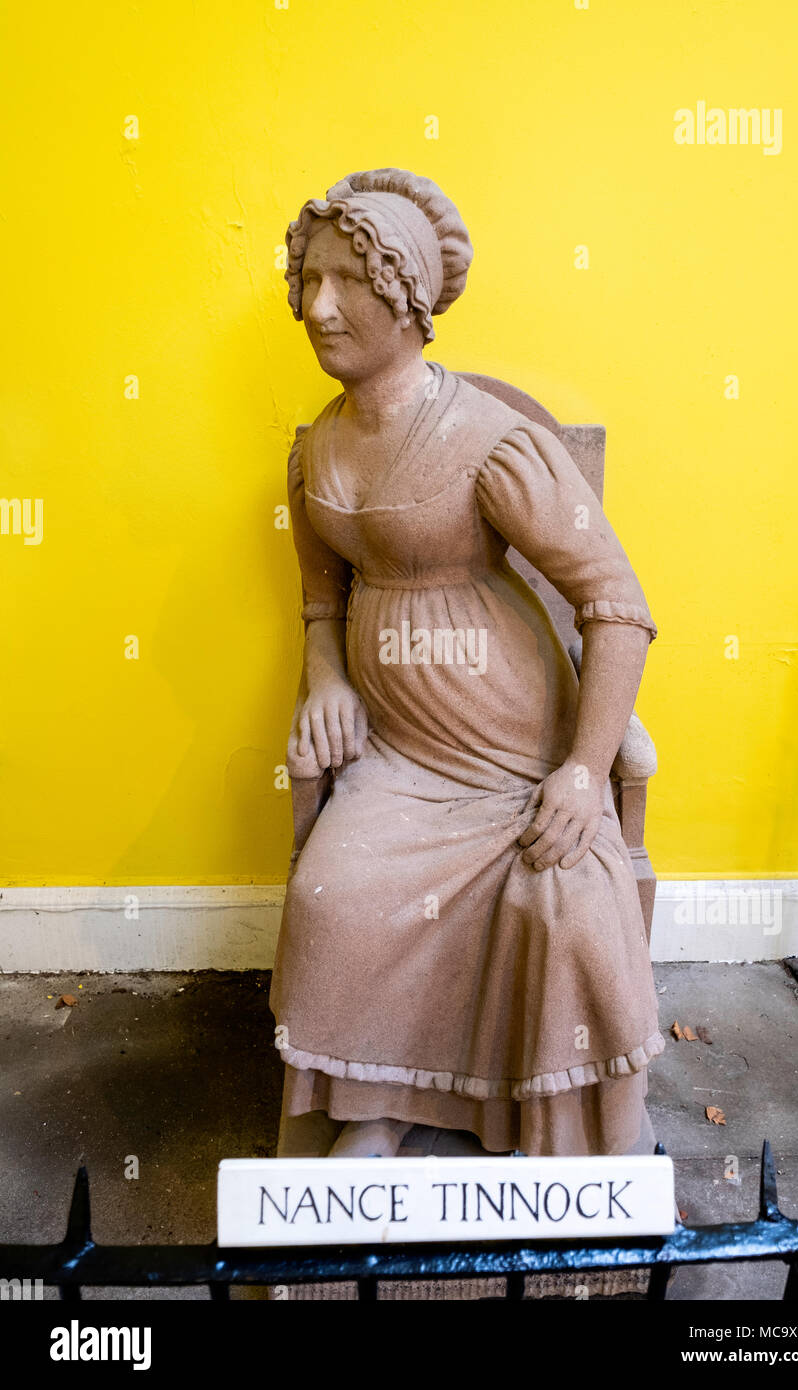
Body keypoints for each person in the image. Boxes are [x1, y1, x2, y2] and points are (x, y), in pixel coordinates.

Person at [269, 168, 663, 1159]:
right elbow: (322, 602)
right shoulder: (312, 451)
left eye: (348, 283)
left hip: (515, 755)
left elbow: (616, 606)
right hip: (397, 754)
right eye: (308, 280)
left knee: (564, 901)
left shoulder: (495, 445)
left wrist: (580, 770)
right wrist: (325, 678)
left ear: (404, 297)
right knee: (334, 898)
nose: (318, 307)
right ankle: (373, 1104)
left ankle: (563, 1128)